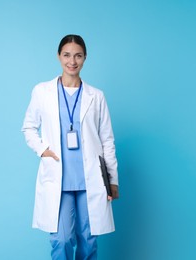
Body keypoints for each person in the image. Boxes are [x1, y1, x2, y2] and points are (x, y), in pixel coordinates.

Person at [21, 34, 119, 260]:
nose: (72, 61)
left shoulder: (97, 96)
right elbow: (28, 128)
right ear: (58, 56)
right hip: (58, 178)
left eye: (78, 55)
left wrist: (112, 181)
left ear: (85, 58)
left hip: (91, 179)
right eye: (66, 55)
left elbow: (107, 140)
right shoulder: (42, 91)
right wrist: (43, 149)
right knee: (61, 239)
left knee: (88, 240)